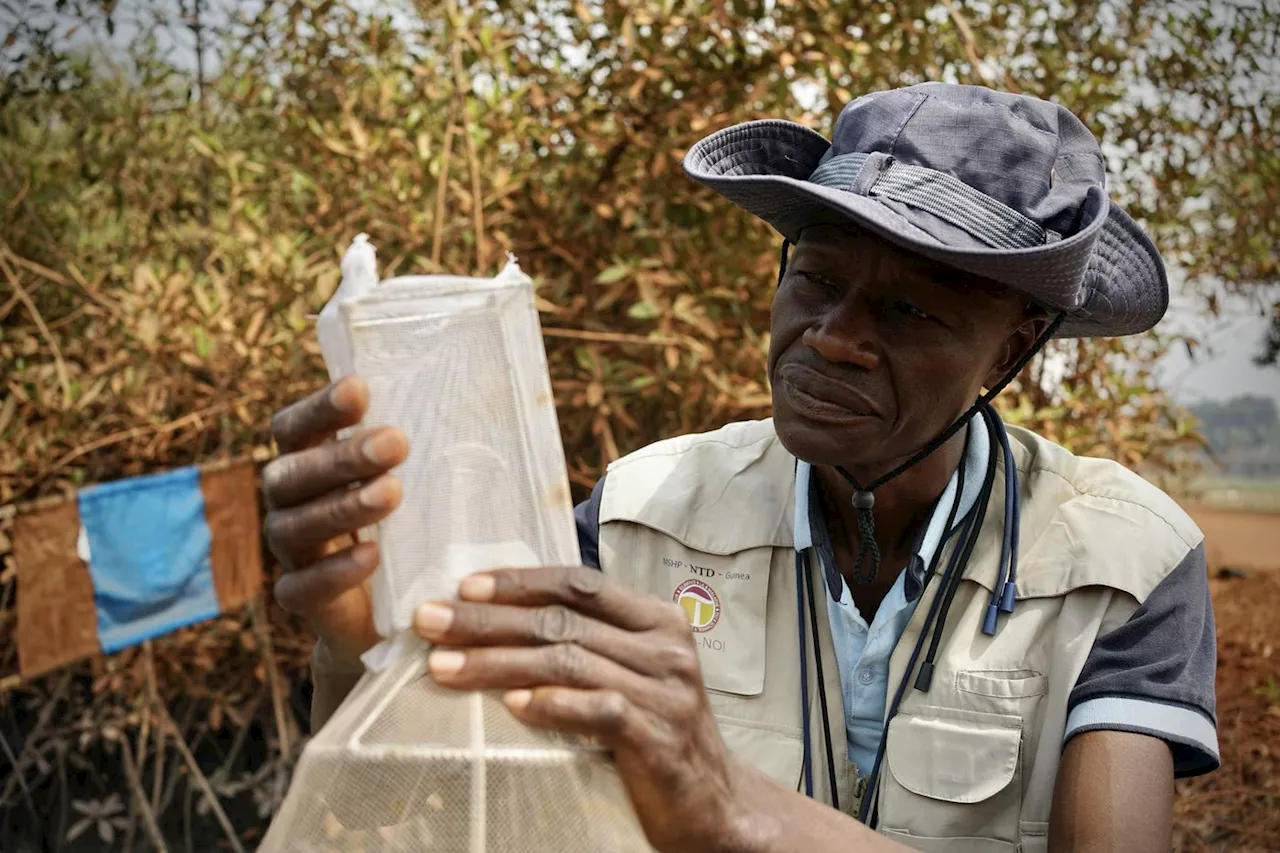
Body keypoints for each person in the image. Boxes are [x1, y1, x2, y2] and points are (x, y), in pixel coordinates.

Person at [263, 83, 1217, 852]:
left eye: (912, 312)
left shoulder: (1120, 561)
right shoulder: (639, 515)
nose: (832, 340)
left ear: (1009, 352)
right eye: (814, 278)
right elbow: (419, 806)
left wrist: (732, 806)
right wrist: (362, 638)